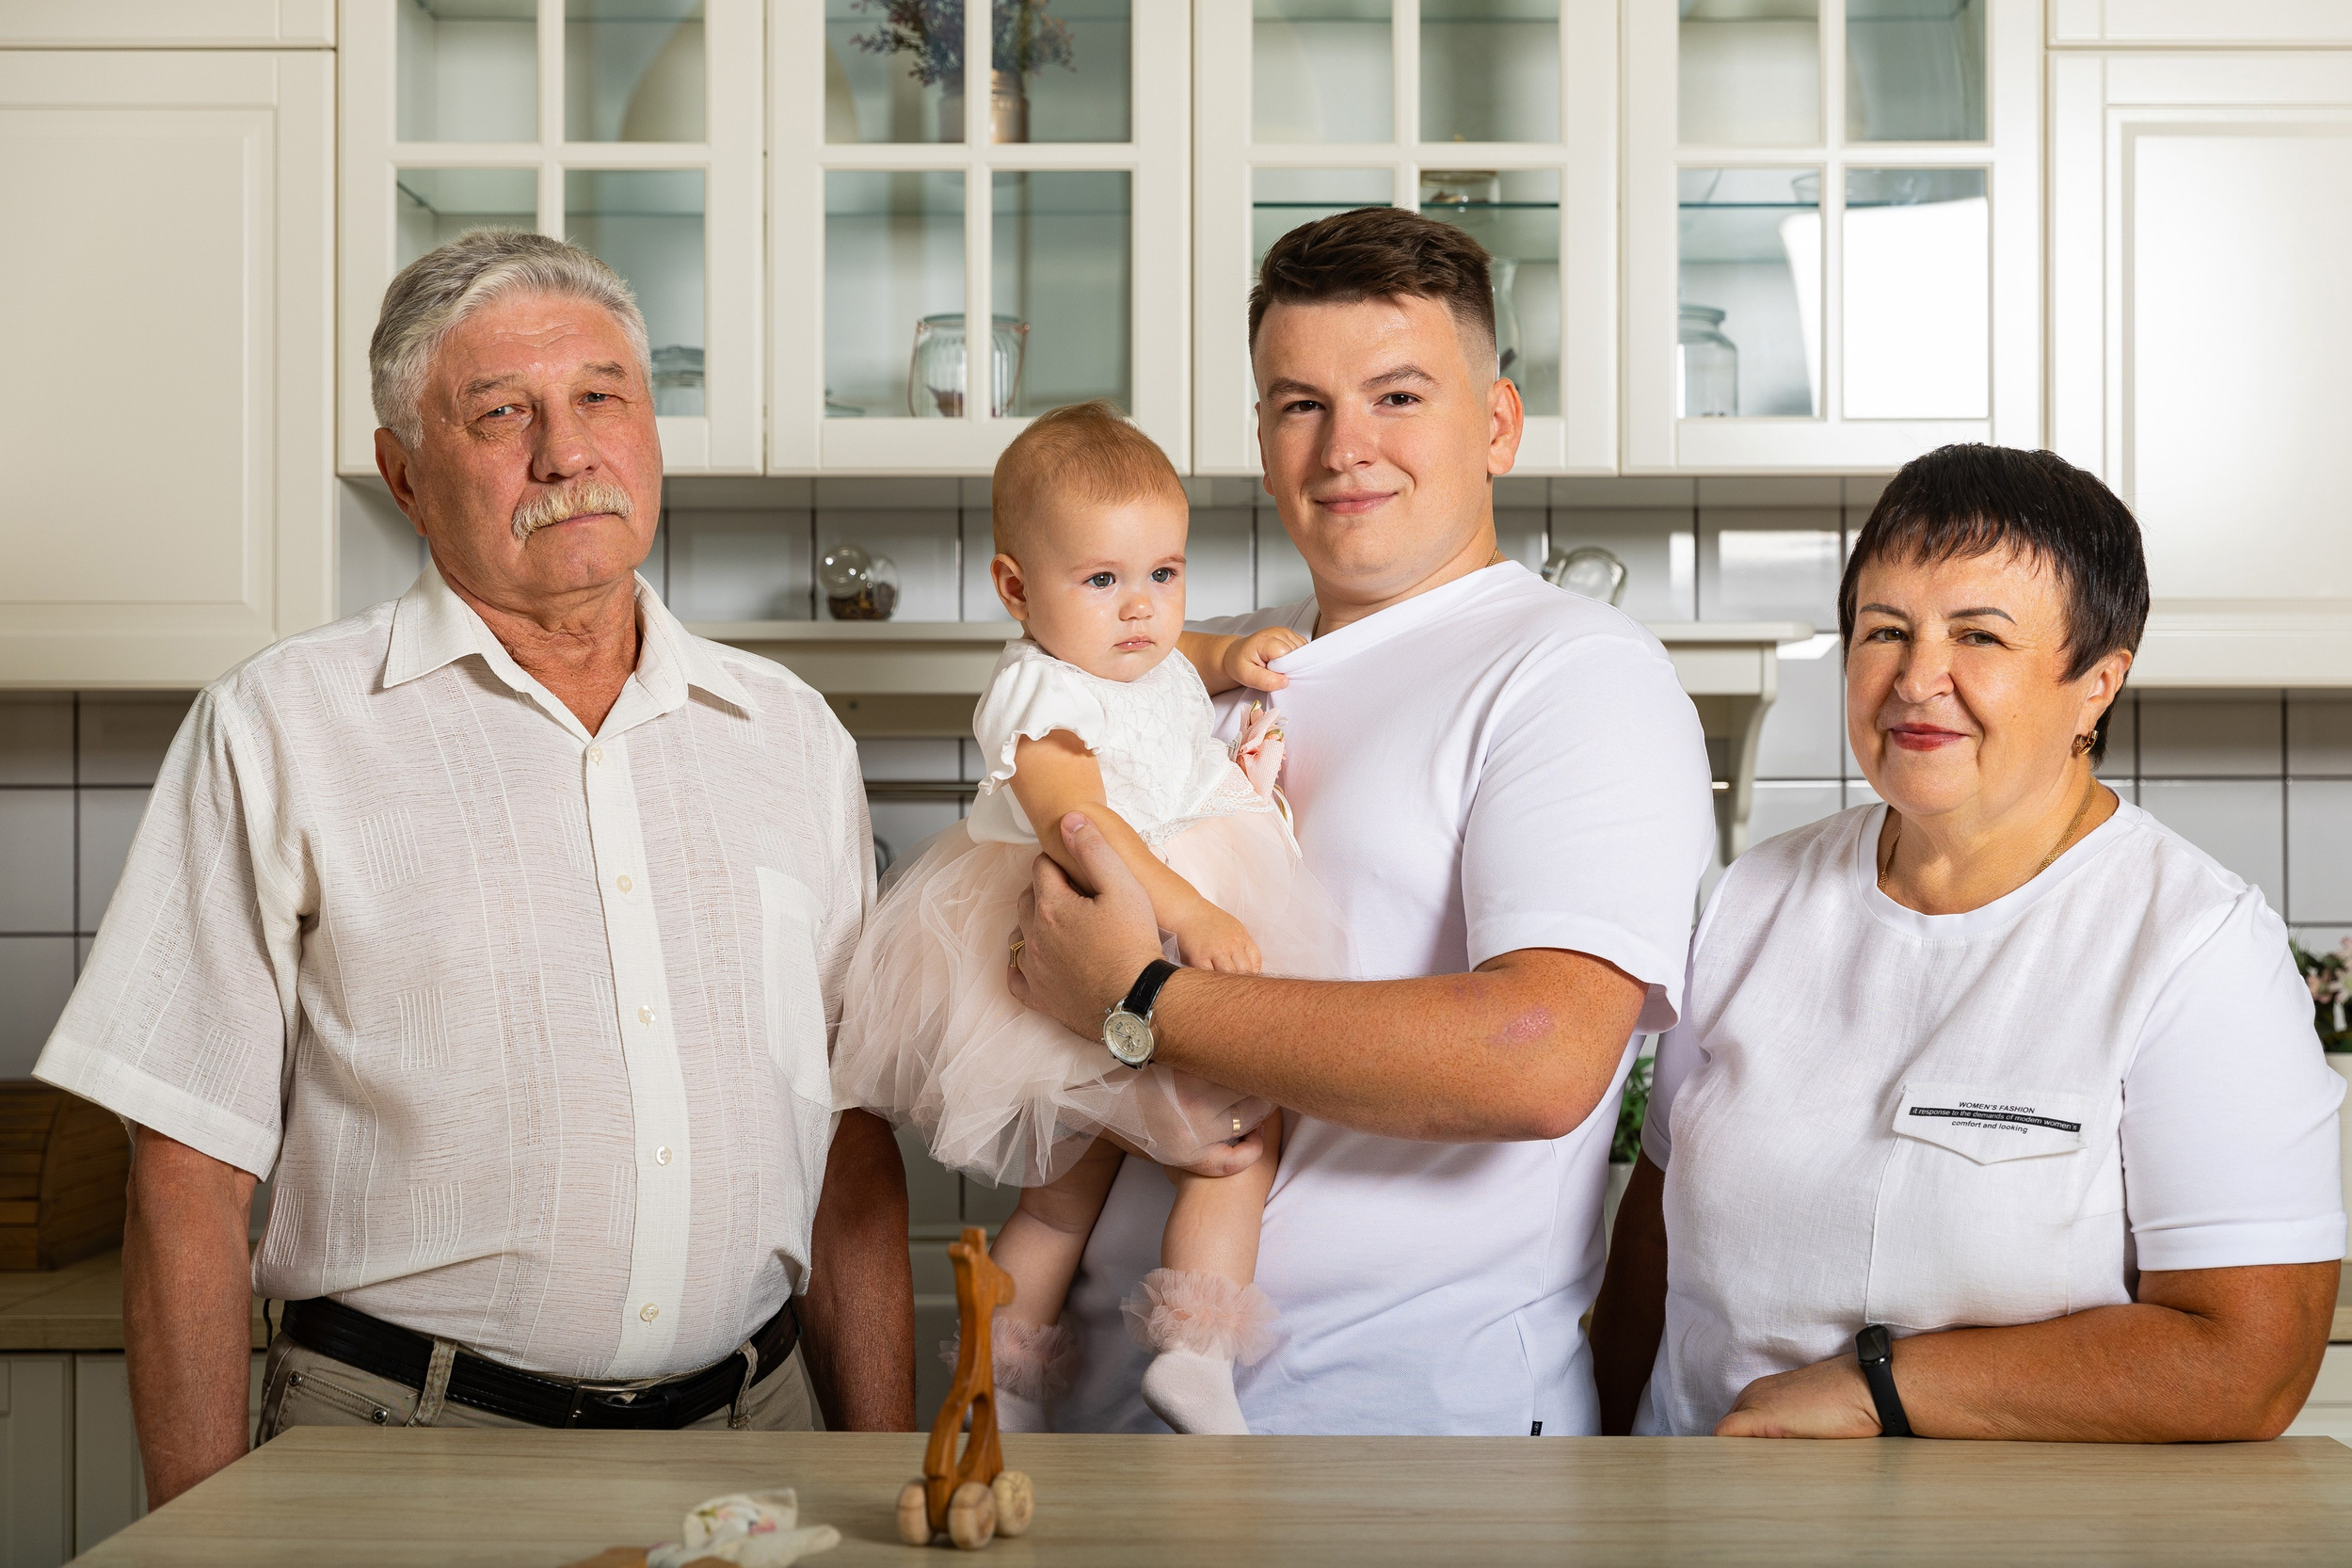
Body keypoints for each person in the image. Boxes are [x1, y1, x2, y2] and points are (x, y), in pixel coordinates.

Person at [32, 230, 914, 1505]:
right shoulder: (282, 725)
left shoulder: (791, 737)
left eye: (602, 397)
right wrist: (196, 1536)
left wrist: (885, 1478)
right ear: (404, 471)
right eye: (503, 413)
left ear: (651, 427)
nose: (567, 452)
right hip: (399, 1445)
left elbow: (850, 1145)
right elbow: (187, 1175)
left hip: (755, 1440)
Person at [1004, 208, 1718, 1435]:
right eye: (1300, 404)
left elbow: (1537, 1055)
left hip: (1400, 1442)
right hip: (1112, 1428)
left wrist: (1141, 1003)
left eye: (1397, 395)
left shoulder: (1572, 669)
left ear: (1496, 424)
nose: (1345, 447)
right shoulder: (1206, 670)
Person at [1593, 444, 2345, 1442]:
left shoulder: (2193, 945)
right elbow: (1650, 1248)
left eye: (1978, 636)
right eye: (1884, 630)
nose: (1916, 679)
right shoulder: (1746, 902)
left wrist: (1879, 1387)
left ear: (2097, 683)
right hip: (1693, 1517)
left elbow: (2248, 1363)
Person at [836, 402, 1344, 1436]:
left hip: (1132, 930)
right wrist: (1191, 908)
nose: (1141, 610)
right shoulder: (1033, 690)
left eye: (1164, 572)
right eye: (1103, 580)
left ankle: (1006, 1388)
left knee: (1061, 1199)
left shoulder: (1142, 651)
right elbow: (1081, 818)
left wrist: (1233, 651)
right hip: (1107, 921)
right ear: (1016, 588)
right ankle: (1174, 1355)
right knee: (1236, 1140)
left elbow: (1179, 656)